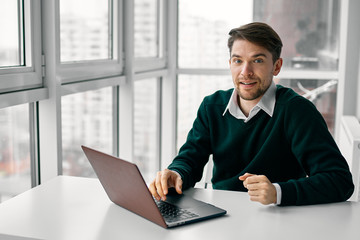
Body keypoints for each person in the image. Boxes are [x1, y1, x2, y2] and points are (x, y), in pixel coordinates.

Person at [149, 22, 354, 206]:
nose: (245, 71)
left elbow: (339, 180)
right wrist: (175, 174)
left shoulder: (297, 111)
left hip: (277, 219)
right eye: (238, 61)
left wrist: (278, 192)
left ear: (276, 66)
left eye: (257, 61)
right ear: (230, 64)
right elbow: (190, 159)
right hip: (220, 214)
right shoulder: (211, 106)